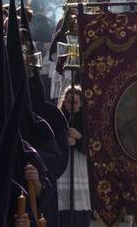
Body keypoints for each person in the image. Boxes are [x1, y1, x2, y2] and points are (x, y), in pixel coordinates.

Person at [56, 85, 93, 227]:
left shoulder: (87, 120)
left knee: (79, 200)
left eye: (75, 102)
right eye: (69, 102)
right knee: (63, 200)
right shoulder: (58, 118)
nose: (71, 106)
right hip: (63, 165)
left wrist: (80, 138)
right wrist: (63, 142)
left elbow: (95, 147)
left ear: (82, 103)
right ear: (64, 102)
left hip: (79, 165)